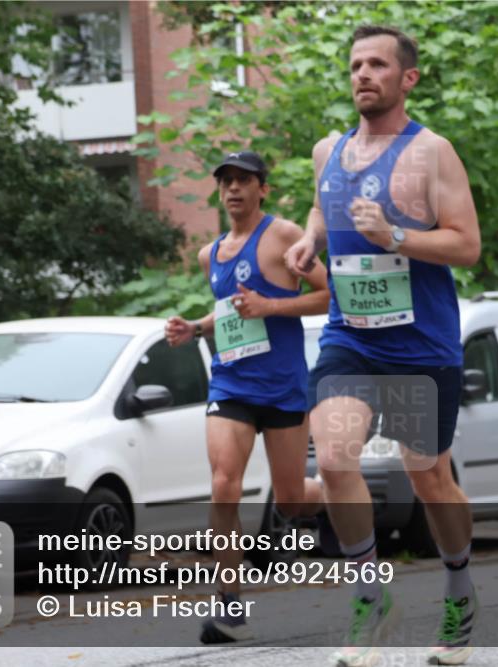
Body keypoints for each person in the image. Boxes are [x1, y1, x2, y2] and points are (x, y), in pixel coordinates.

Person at [284, 25, 481, 667]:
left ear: (407, 78)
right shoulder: (328, 151)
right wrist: (312, 239)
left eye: (376, 65)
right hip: (350, 336)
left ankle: (458, 585)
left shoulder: (433, 152)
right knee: (336, 459)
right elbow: (322, 206)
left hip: (422, 345)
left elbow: (466, 244)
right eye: (355, 66)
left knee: (428, 477)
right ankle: (371, 598)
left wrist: (397, 235)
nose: (363, 74)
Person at [165, 150, 328, 643]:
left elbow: (327, 294)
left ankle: (339, 490)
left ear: (263, 189)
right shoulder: (209, 254)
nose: (233, 188)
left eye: (243, 180)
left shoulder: (281, 235)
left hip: (281, 388)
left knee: (293, 499)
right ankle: (229, 601)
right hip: (231, 383)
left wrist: (271, 305)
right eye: (226, 181)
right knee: (224, 485)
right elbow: (231, 310)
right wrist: (195, 327)